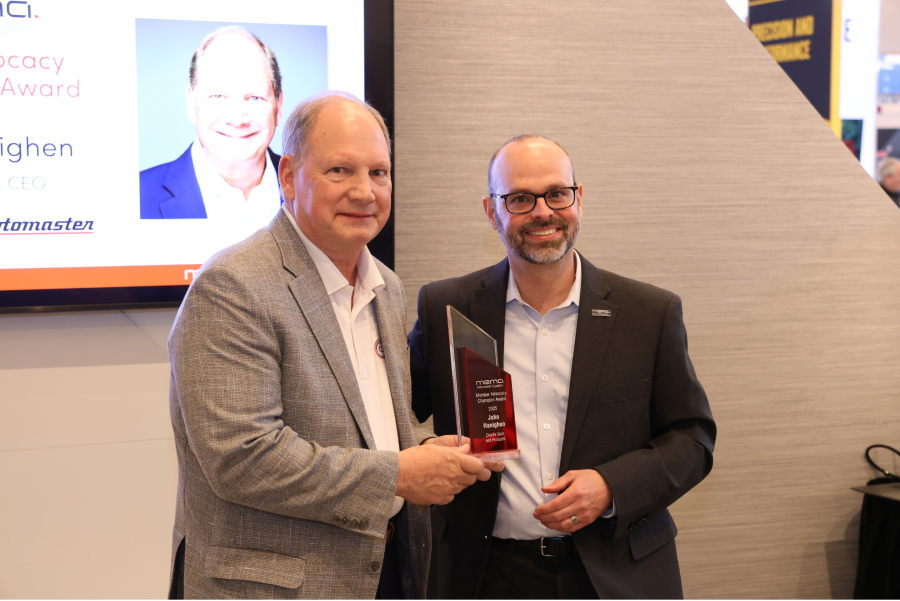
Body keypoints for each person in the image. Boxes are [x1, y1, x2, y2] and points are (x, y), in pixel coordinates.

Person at [167, 92, 492, 599]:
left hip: (383, 573)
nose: (365, 192)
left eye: (379, 173)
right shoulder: (233, 286)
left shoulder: (386, 286)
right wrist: (400, 475)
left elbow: (366, 426)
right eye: (340, 170)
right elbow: (243, 459)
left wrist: (421, 450)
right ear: (289, 176)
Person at [408, 134, 717, 599]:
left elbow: (692, 438)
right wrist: (425, 453)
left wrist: (611, 487)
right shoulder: (447, 307)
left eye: (556, 193)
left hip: (616, 576)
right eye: (520, 198)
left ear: (578, 199)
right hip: (486, 576)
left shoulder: (648, 313)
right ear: (492, 212)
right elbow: (388, 413)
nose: (542, 212)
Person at [140, 26, 284, 220]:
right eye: (218, 96)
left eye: (254, 98)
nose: (237, 120)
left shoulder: (310, 188)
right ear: (192, 103)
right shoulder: (137, 195)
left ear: (278, 107)